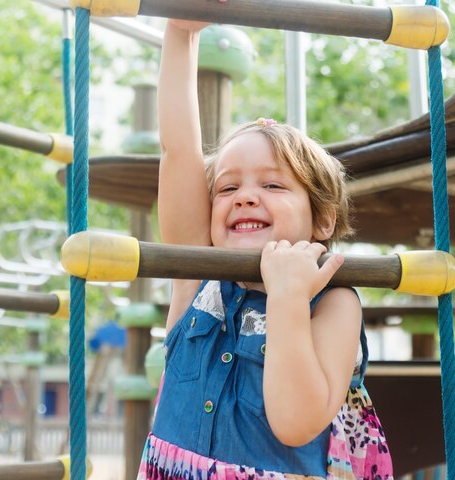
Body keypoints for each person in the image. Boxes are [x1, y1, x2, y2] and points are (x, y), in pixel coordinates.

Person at [138, 13, 393, 480]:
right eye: (227, 188)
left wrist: (289, 297)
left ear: (322, 219)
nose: (246, 196)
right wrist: (181, 33)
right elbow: (179, 149)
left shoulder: (332, 303)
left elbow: (296, 423)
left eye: (273, 186)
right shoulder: (196, 276)